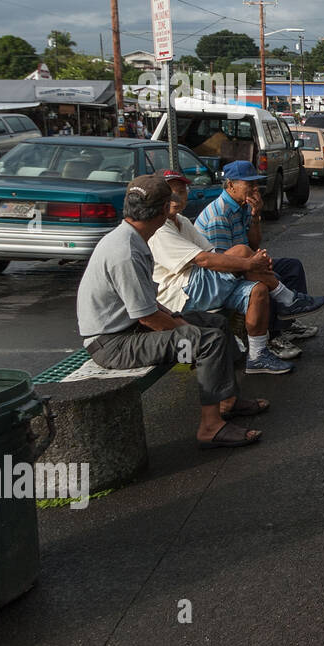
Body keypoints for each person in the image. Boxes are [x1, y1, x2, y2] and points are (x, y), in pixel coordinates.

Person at [76, 176, 265, 449]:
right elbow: (147, 316)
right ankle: (210, 427)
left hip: (129, 329)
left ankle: (228, 400)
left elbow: (148, 304)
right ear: (165, 209)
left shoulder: (132, 238)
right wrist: (186, 332)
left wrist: (180, 320)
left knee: (215, 323)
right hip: (112, 343)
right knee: (206, 340)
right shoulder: (125, 250)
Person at [148, 169, 293, 375]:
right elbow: (204, 259)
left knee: (258, 290)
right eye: (170, 193)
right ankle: (287, 299)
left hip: (201, 283)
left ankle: (258, 356)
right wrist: (250, 263)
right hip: (181, 294)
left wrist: (254, 255)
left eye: (181, 191)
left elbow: (212, 251)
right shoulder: (160, 229)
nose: (176, 197)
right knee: (243, 253)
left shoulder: (182, 221)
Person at [195, 160, 324, 355]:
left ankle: (287, 323)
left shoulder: (242, 207)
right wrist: (257, 265)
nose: (255, 189)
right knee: (267, 281)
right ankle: (273, 337)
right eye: (250, 184)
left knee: (292, 267)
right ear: (231, 185)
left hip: (242, 263)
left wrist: (256, 215)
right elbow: (224, 262)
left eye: (256, 184)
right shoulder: (219, 215)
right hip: (221, 276)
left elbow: (253, 244)